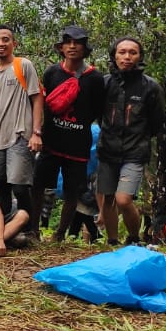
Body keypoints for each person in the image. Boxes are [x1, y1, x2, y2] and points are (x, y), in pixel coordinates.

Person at [35, 26, 107, 242]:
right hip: (50, 140)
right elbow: (41, 103)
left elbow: (98, 110)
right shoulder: (52, 72)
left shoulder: (95, 78)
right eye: (68, 42)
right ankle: (33, 230)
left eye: (78, 43)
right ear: (62, 47)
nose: (72, 46)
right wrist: (36, 132)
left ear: (85, 49)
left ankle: (59, 234)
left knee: (72, 191)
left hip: (78, 144)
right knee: (38, 184)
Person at [98, 36, 166, 245]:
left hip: (135, 152)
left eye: (132, 52)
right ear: (114, 55)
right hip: (107, 149)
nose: (127, 57)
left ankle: (134, 238)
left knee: (123, 199)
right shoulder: (104, 83)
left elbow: (157, 121)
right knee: (108, 199)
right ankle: (112, 242)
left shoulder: (150, 87)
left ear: (139, 57)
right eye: (122, 52)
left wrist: (139, 138)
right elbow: (96, 112)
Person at [0, 25, 43, 239]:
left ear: (14, 43)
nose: (0, 44)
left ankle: (31, 229)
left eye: (5, 39)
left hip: (19, 133)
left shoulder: (22, 65)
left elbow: (37, 98)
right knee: (1, 185)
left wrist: (36, 132)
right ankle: (7, 229)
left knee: (19, 185)